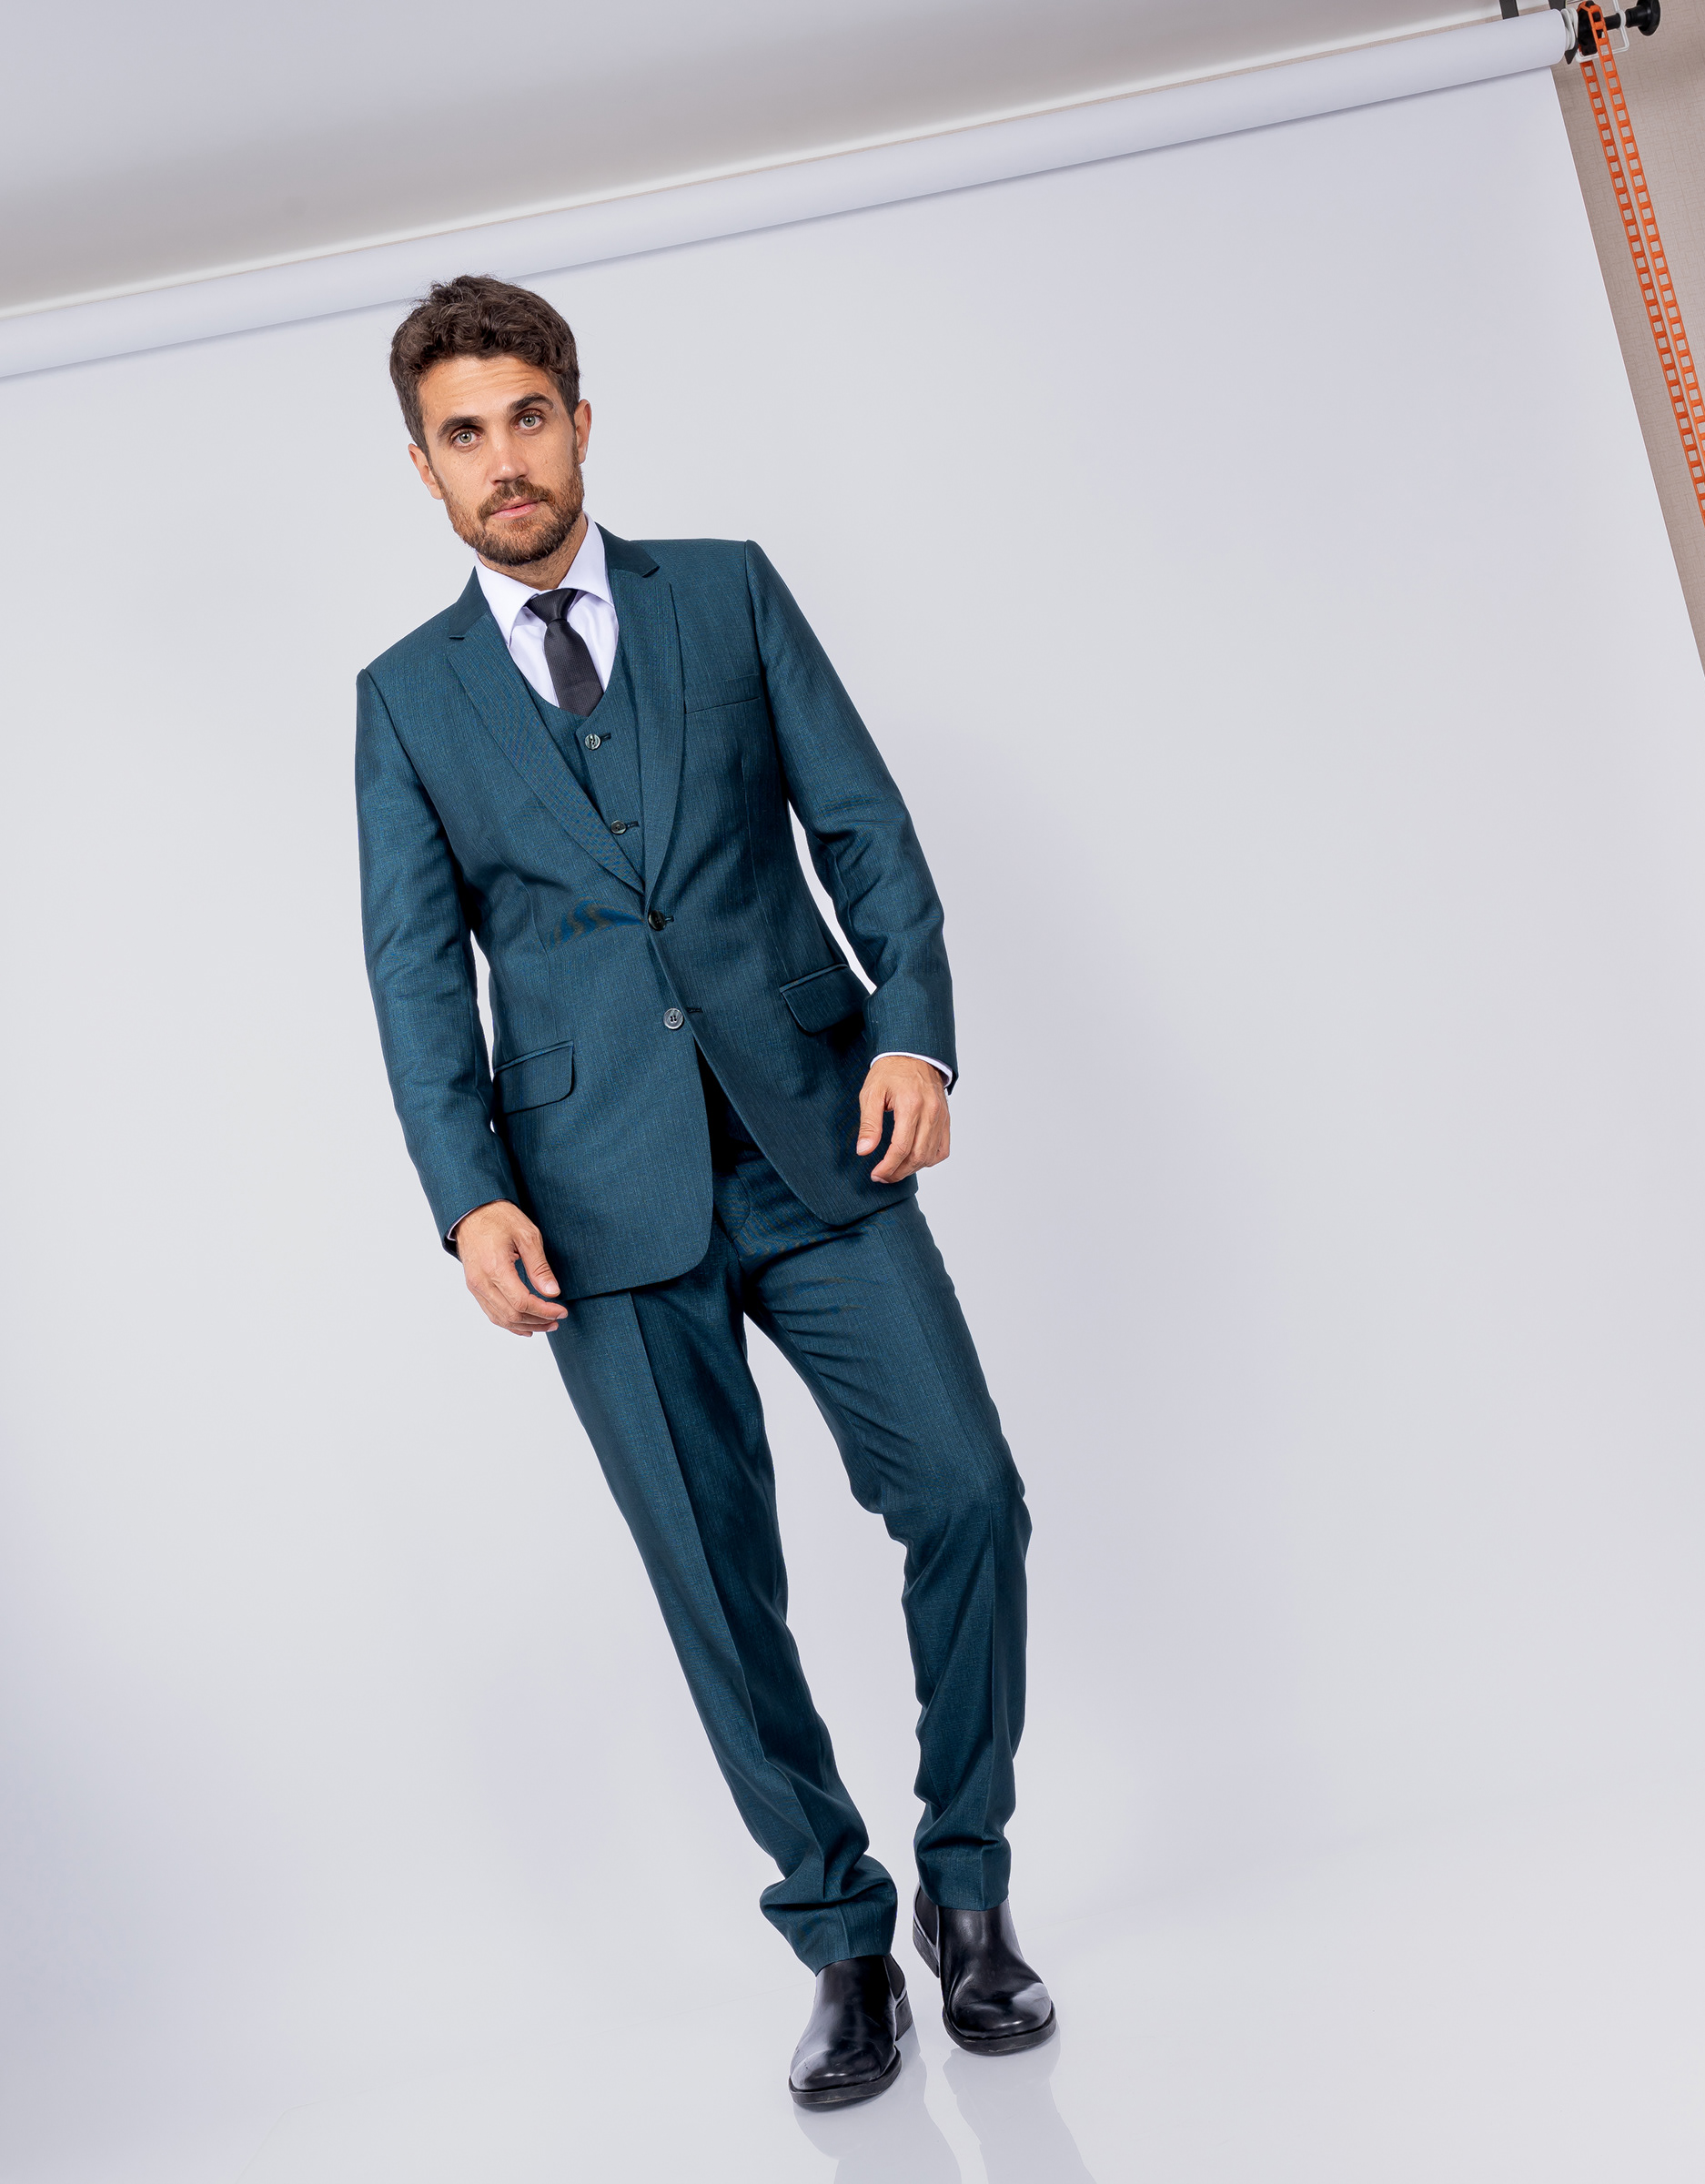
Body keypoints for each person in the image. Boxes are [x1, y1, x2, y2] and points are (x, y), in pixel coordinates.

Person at [357, 274, 1054, 2106]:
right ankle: (840, 1936)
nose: (504, 460)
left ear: (580, 421)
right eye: (463, 434)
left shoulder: (728, 594)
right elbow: (416, 972)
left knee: (968, 1496)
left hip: (819, 1137)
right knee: (714, 1583)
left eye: (527, 417)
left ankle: (967, 1889)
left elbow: (864, 827)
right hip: (594, 1203)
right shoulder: (406, 701)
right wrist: (468, 1196)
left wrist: (918, 1039)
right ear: (424, 469)